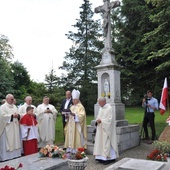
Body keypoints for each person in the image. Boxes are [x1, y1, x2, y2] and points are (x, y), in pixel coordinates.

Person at [93, 97, 119, 165]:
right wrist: (97, 120)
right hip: (100, 128)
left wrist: (101, 121)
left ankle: (110, 158)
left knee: (106, 143)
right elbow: (98, 117)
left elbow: (110, 120)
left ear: (103, 102)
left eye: (99, 102)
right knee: (100, 143)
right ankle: (100, 158)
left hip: (107, 130)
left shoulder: (109, 108)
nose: (99, 104)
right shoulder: (101, 108)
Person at [64, 89, 87, 153]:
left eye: (75, 99)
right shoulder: (71, 107)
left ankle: (77, 149)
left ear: (78, 99)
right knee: (70, 135)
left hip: (76, 125)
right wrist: (67, 116)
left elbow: (82, 116)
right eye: (73, 100)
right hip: (70, 124)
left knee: (77, 136)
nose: (73, 101)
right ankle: (70, 148)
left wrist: (75, 115)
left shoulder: (81, 107)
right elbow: (69, 115)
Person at [0, 94, 21, 161]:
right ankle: (6, 157)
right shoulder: (3, 107)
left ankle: (15, 155)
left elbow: (19, 114)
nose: (13, 100)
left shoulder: (14, 106)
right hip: (7, 128)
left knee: (15, 141)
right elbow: (2, 117)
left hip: (15, 127)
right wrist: (11, 116)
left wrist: (17, 115)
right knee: (7, 142)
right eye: (11, 99)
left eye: (13, 99)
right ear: (7, 99)